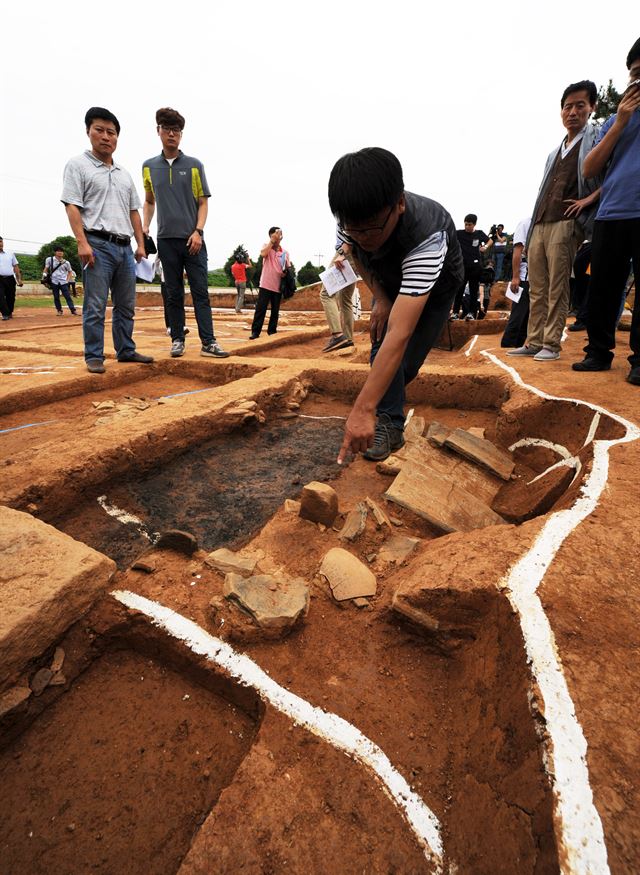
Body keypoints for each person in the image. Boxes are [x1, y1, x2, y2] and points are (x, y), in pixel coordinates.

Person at [329, 147, 463, 463]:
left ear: (399, 204)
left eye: (371, 228)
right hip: (387, 277)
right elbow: (355, 254)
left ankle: (381, 410)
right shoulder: (350, 220)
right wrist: (383, 297)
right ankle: (390, 422)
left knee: (405, 363)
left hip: (436, 287)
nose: (362, 237)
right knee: (380, 336)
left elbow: (401, 333)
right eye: (353, 229)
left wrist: (362, 409)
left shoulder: (428, 234)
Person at [508, 80, 602, 362]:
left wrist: (588, 200)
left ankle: (551, 343)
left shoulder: (595, 138)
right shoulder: (554, 151)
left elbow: (610, 174)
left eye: (579, 105)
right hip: (541, 221)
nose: (572, 112)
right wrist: (535, 221)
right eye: (567, 106)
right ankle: (534, 340)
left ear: (591, 108)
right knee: (536, 285)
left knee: (557, 285)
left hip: (567, 220)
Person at [62, 107, 153, 374]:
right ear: (88, 132)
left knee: (126, 305)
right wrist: (81, 242)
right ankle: (93, 355)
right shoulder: (78, 165)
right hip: (97, 244)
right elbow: (72, 205)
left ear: (117, 138)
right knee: (95, 304)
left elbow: (133, 211)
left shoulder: (124, 174)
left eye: (111, 132)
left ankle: (125, 349)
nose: (105, 136)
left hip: (125, 248)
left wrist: (141, 244)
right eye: (99, 130)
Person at [572, 40, 640, 386]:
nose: (637, 83)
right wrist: (620, 122)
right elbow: (589, 168)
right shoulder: (616, 119)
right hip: (612, 213)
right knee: (603, 286)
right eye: (634, 75)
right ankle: (598, 351)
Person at [142, 107, 228, 359]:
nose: (172, 134)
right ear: (158, 131)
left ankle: (208, 342)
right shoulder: (149, 167)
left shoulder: (194, 165)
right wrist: (146, 226)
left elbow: (203, 202)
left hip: (193, 240)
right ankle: (177, 339)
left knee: (201, 292)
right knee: (173, 293)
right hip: (166, 240)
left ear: (181, 134)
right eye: (167, 129)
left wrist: (198, 231)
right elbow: (149, 201)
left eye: (177, 130)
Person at [250, 227, 290, 339]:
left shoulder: (285, 252)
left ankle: (272, 331)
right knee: (260, 309)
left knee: (275, 311)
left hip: (278, 286)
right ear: (271, 235)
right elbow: (263, 254)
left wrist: (285, 273)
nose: (278, 235)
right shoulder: (266, 247)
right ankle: (255, 332)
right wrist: (272, 241)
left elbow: (288, 268)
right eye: (276, 233)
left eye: (280, 233)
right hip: (265, 284)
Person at [452, 214, 492, 321]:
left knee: (474, 291)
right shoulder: (459, 233)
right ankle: (455, 312)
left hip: (475, 267)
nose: (467, 226)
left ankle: (472, 313)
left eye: (469, 224)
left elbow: (490, 240)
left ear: (474, 224)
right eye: (465, 224)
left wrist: (485, 247)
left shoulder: (479, 234)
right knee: (460, 290)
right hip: (462, 267)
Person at [501, 217, 532, 348]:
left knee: (528, 318)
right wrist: (515, 277)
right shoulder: (525, 223)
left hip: (538, 278)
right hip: (524, 277)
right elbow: (517, 250)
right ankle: (507, 346)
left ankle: (518, 345)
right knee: (518, 316)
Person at [320, 241, 356, 351]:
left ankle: (338, 335)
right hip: (357, 254)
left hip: (345, 252)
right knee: (345, 300)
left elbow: (348, 232)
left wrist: (341, 253)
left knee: (326, 294)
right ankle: (348, 338)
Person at [43, 246, 79, 316]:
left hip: (63, 282)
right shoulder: (50, 260)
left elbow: (70, 272)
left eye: (61, 251)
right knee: (56, 297)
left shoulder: (66, 262)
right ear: (55, 252)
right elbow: (46, 268)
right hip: (54, 281)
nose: (60, 252)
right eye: (58, 251)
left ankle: (73, 310)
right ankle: (59, 310)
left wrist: (67, 280)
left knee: (67, 296)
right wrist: (44, 277)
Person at [0, 237, 23, 321]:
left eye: (1, 241)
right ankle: (5, 313)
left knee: (11, 297)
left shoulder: (10, 253)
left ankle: (9, 312)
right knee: (0, 297)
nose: (0, 243)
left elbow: (16, 266)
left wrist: (19, 279)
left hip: (10, 279)